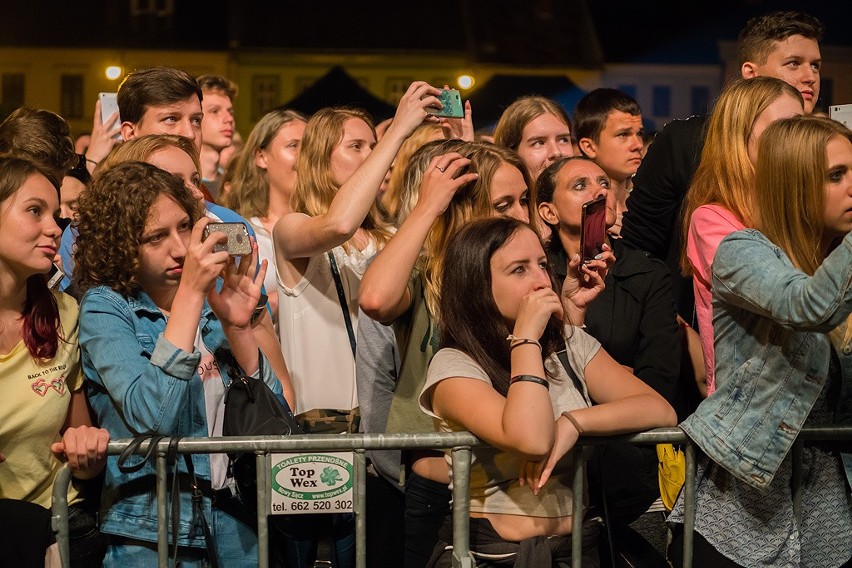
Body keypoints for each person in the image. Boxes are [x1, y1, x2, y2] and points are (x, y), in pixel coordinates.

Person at [419, 217, 677, 567]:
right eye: (519, 270)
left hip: (577, 551)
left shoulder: (569, 344)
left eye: (542, 264)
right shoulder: (454, 364)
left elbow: (659, 409)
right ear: (477, 285)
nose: (542, 280)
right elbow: (531, 438)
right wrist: (524, 339)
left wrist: (574, 423)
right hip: (495, 557)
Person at [74, 161, 281, 567]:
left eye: (185, 227)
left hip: (236, 520)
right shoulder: (107, 307)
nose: (181, 248)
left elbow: (273, 418)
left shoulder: (213, 300)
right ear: (121, 244)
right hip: (152, 532)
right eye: (156, 237)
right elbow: (152, 416)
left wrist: (239, 328)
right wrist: (190, 294)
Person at [271, 81, 443, 568]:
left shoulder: (393, 236)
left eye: (375, 144)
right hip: (314, 443)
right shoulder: (293, 227)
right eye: (357, 146)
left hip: (380, 441)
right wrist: (399, 129)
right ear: (322, 160)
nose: (378, 159)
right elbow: (340, 225)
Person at [669, 116, 852, 568]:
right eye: (836, 175)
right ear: (795, 185)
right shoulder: (741, 252)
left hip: (824, 510)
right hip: (740, 511)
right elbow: (809, 306)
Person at [620, 11, 824, 319]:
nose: (810, 76)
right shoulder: (684, 142)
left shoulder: (825, 151)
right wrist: (665, 326)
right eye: (793, 63)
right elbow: (638, 249)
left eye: (816, 65)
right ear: (750, 73)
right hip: (695, 335)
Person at [537, 156, 686, 536]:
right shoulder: (536, 274)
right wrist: (619, 378)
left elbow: (657, 384)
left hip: (630, 473)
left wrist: (604, 389)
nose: (599, 190)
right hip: (553, 477)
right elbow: (538, 373)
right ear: (548, 212)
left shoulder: (648, 272)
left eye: (604, 181)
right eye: (580, 185)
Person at [0, 155, 109, 567]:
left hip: (55, 532)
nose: (55, 227)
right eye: (34, 211)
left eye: (57, 213)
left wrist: (87, 453)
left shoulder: (66, 313)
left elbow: (79, 452)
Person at [679, 77, 803, 395]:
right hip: (749, 415)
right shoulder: (711, 221)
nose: (798, 141)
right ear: (741, 135)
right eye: (783, 129)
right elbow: (786, 297)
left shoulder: (803, 210)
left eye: (801, 128)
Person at [221, 108, 308, 322]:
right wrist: (276, 302)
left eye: (309, 147)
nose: (305, 156)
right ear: (262, 157)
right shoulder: (238, 230)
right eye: (294, 146)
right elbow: (227, 309)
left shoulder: (324, 226)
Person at [573, 89, 644, 237]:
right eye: (623, 134)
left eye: (639, 133)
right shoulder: (577, 213)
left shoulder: (648, 207)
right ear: (589, 147)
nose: (638, 145)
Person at [197, 74, 238, 199]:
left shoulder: (237, 186)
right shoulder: (180, 185)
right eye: (215, 111)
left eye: (230, 112)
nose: (229, 119)